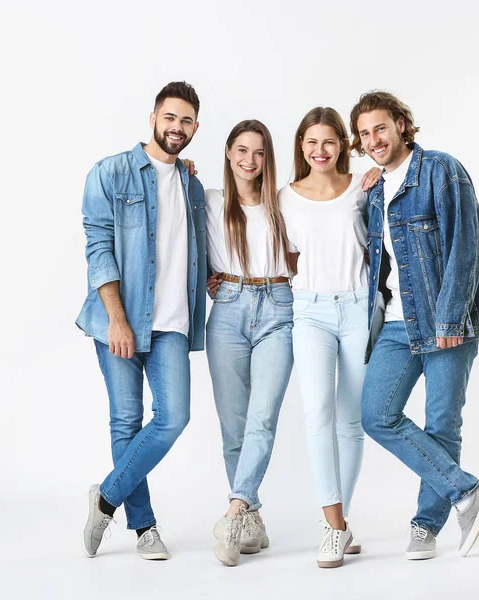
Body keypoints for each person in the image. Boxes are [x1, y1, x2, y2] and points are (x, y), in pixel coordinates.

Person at [350, 90, 479, 560]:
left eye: (380, 127)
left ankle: (425, 525)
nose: (373, 139)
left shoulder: (441, 169)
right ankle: (466, 491)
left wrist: (452, 315)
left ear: (400, 124)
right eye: (364, 133)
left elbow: (464, 243)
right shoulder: (374, 189)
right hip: (396, 322)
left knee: (441, 422)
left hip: (445, 317)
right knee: (376, 415)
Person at [76, 81, 207, 560]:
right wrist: (117, 319)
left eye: (186, 120)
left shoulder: (192, 185)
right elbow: (98, 248)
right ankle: (144, 526)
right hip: (120, 320)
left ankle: (105, 498)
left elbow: (198, 249)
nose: (177, 127)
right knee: (126, 421)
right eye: (170, 117)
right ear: (153, 118)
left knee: (173, 417)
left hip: (172, 322)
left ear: (196, 127)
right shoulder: (110, 173)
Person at [278, 107, 380, 568]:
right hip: (310, 312)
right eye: (311, 142)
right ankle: (333, 526)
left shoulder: (363, 188)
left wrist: (381, 171)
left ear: (342, 145)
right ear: (301, 145)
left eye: (329, 142)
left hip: (360, 307)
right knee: (317, 412)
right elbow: (288, 255)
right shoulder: (286, 197)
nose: (320, 151)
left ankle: (341, 522)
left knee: (351, 419)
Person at [200, 120, 294, 567]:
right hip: (229, 311)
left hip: (279, 307)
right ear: (227, 153)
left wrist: (367, 178)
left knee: (262, 417)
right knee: (233, 425)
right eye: (241, 150)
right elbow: (179, 240)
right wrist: (205, 280)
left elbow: (327, 215)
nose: (249, 160)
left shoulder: (285, 203)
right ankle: (252, 519)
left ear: (267, 158)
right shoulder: (209, 201)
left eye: (258, 152)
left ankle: (235, 511)